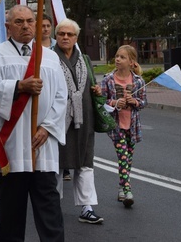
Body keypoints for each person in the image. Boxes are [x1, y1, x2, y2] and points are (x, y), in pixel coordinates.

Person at [0, 5, 67, 242]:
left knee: (50, 213)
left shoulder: (49, 57)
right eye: (19, 22)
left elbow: (61, 96)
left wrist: (48, 127)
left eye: (30, 21)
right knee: (11, 216)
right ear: (8, 26)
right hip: (12, 147)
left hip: (42, 146)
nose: (26, 25)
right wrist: (19, 86)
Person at [52, 18, 103, 224]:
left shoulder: (86, 60)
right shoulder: (48, 58)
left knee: (85, 163)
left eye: (70, 34)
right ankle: (52, 205)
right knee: (55, 164)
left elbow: (91, 85)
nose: (65, 37)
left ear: (76, 37)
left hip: (84, 120)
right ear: (56, 36)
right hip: (57, 120)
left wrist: (97, 90)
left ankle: (87, 207)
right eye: (62, 34)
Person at [101, 44, 147, 208]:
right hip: (116, 125)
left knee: (128, 158)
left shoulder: (138, 81)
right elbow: (101, 102)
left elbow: (143, 102)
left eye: (122, 57)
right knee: (123, 157)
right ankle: (127, 191)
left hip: (132, 126)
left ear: (131, 62)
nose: (118, 59)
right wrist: (114, 102)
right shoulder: (108, 79)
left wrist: (134, 101)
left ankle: (121, 187)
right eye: (117, 56)